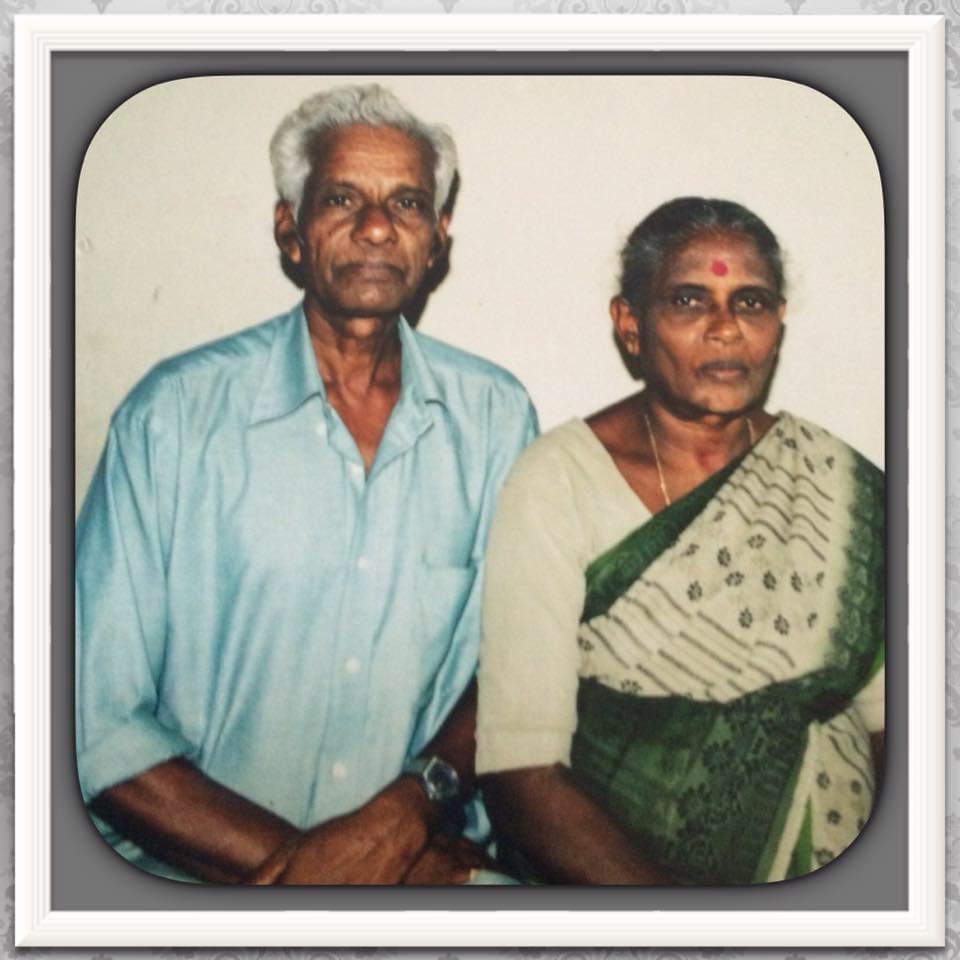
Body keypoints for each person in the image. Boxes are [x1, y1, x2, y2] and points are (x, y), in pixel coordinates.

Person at [75, 84, 537, 885]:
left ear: (437, 239)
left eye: (407, 202)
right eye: (342, 199)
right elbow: (94, 726)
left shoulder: (496, 418)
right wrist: (340, 870)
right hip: (193, 876)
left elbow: (511, 661)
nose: (376, 226)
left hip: (423, 863)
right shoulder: (173, 417)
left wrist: (410, 813)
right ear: (290, 230)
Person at [475, 197, 884, 885]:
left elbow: (894, 723)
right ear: (630, 324)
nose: (726, 329)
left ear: (778, 323)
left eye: (751, 302)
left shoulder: (836, 484)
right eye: (690, 301)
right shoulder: (559, 481)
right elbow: (522, 775)